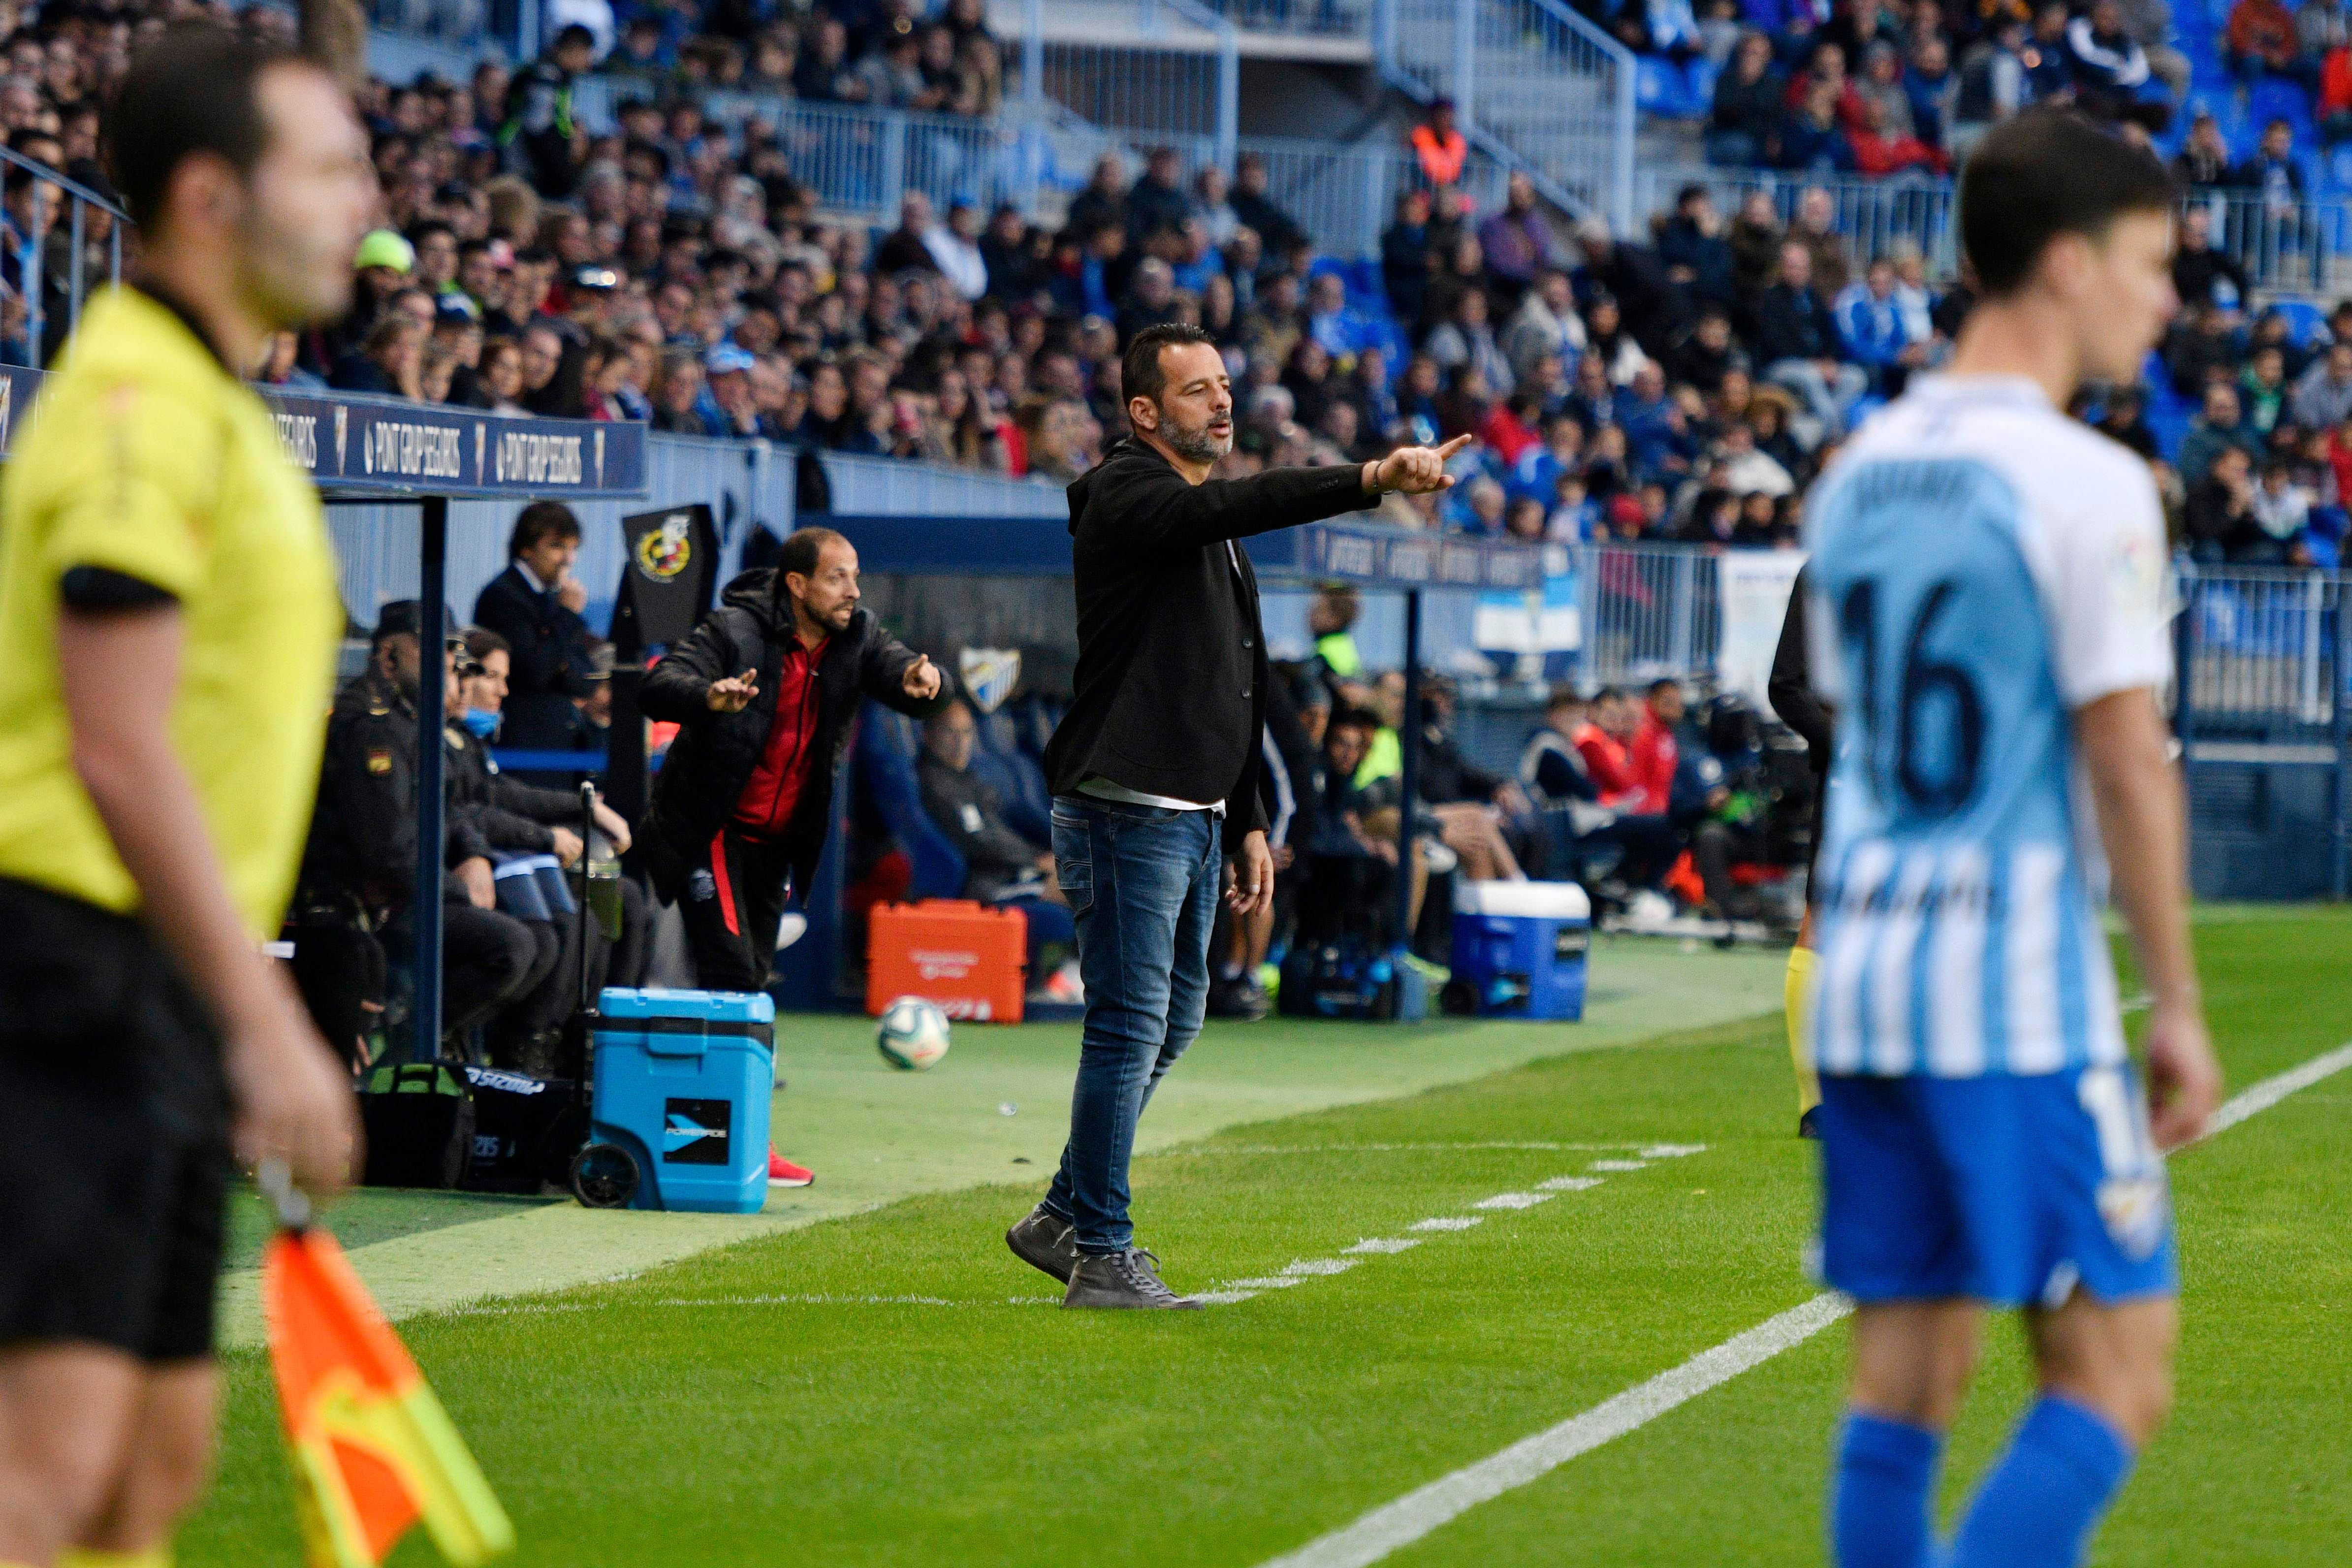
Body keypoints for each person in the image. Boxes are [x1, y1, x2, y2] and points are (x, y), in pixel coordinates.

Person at [1800, 110, 2221, 1568]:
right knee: (2114, 1370)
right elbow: (2120, 756)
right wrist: (2172, 1001)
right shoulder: (2084, 480)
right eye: (2148, 263)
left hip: (1862, 982)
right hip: (2009, 998)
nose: (2164, 300)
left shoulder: (1855, 468)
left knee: (1902, 1383)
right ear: (2062, 264)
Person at [0, 27, 370, 1568]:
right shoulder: (141, 411)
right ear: (212, 198)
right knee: (49, 1468)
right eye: (332, 168)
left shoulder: (213, 404)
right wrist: (267, 1018)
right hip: (63, 964)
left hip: (141, 980)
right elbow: (118, 746)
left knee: (151, 1466)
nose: (367, 201)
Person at [1004, 323, 1467, 1311]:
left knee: (1172, 1016)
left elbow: (1238, 685)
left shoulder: (1204, 527)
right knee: (1128, 1025)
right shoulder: (1126, 493)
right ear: (1142, 413)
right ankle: (1103, 1249)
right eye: (1195, 391)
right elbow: (1250, 501)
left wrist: (1249, 812)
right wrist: (1374, 473)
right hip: (1126, 803)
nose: (1221, 402)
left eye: (1224, 385)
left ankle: (1059, 1213)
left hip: (1193, 806)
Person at [638, 527, 951, 1189]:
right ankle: (732, 1141)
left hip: (775, 843)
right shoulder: (734, 627)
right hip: (709, 827)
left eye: (856, 576)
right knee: (733, 976)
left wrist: (927, 681)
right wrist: (708, 697)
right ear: (798, 584)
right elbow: (661, 683)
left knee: (747, 979)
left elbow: (900, 671)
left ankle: (734, 1137)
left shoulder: (856, 634)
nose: (853, 591)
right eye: (838, 578)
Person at [917, 701, 1078, 997]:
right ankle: (1068, 976)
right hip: (987, 884)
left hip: (1011, 873)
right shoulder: (935, 782)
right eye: (950, 733)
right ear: (929, 735)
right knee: (1077, 887)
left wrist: (1040, 859)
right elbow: (976, 841)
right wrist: (1036, 860)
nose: (960, 742)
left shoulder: (966, 777)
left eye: (966, 733)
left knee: (1086, 880)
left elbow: (995, 833)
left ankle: (1060, 975)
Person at [1768, 565, 1831, 1139]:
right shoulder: (1828, 568)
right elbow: (1785, 685)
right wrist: (1850, 745)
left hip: (1940, 778)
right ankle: (1815, 1102)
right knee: (1822, 922)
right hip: (1853, 781)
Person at [471, 501, 597, 776]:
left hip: (561, 751)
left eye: (573, 549)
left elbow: (584, 678)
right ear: (526, 548)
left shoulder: (551, 601)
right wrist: (566, 616)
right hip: (523, 752)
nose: (568, 560)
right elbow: (535, 669)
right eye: (557, 547)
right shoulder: (504, 597)